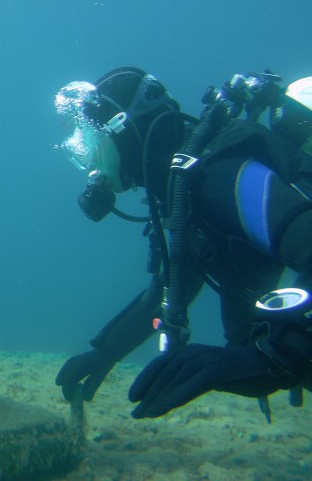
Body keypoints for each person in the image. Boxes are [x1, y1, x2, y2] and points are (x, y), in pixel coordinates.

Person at [52, 67, 312, 419]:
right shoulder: (182, 191)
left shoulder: (218, 175)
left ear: (125, 131)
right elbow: (173, 286)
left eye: (94, 145)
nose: (91, 164)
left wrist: (276, 357)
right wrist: (106, 351)